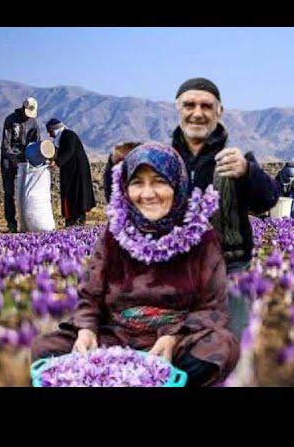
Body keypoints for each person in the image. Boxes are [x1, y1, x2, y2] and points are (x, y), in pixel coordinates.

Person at [31, 143, 240, 386]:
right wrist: (86, 329)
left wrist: (174, 337)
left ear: (177, 184)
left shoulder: (201, 238)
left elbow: (212, 307)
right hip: (117, 336)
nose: (147, 193)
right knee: (45, 348)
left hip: (178, 338)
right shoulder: (114, 234)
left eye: (159, 181)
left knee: (220, 347)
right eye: (137, 182)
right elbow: (91, 295)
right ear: (125, 186)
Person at [171, 77, 280, 340]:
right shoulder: (163, 161)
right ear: (178, 109)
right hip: (178, 273)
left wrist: (247, 172)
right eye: (189, 105)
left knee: (233, 346)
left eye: (206, 106)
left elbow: (268, 199)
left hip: (231, 270)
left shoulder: (235, 159)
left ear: (219, 111)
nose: (197, 113)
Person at [0, 97, 41, 232]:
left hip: (25, 162)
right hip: (8, 161)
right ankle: (11, 224)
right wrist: (13, 158)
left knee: (27, 193)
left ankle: (28, 223)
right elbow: (5, 145)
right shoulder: (11, 120)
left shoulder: (34, 123)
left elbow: (36, 144)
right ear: (23, 108)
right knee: (9, 192)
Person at [46, 118, 96, 227]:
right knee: (70, 195)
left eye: (50, 132)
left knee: (77, 196)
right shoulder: (63, 137)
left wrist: (57, 162)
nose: (50, 135)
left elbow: (69, 152)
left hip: (77, 171)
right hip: (70, 171)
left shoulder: (69, 136)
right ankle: (71, 220)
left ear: (55, 130)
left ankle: (77, 221)